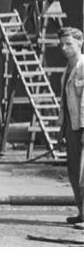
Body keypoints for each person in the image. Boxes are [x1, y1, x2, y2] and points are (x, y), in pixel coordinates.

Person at [58, 27, 84, 227]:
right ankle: (82, 212)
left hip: (82, 127)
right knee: (74, 172)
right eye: (62, 44)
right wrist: (62, 128)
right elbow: (65, 103)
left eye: (69, 44)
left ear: (80, 43)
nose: (64, 48)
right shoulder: (67, 69)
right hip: (71, 127)